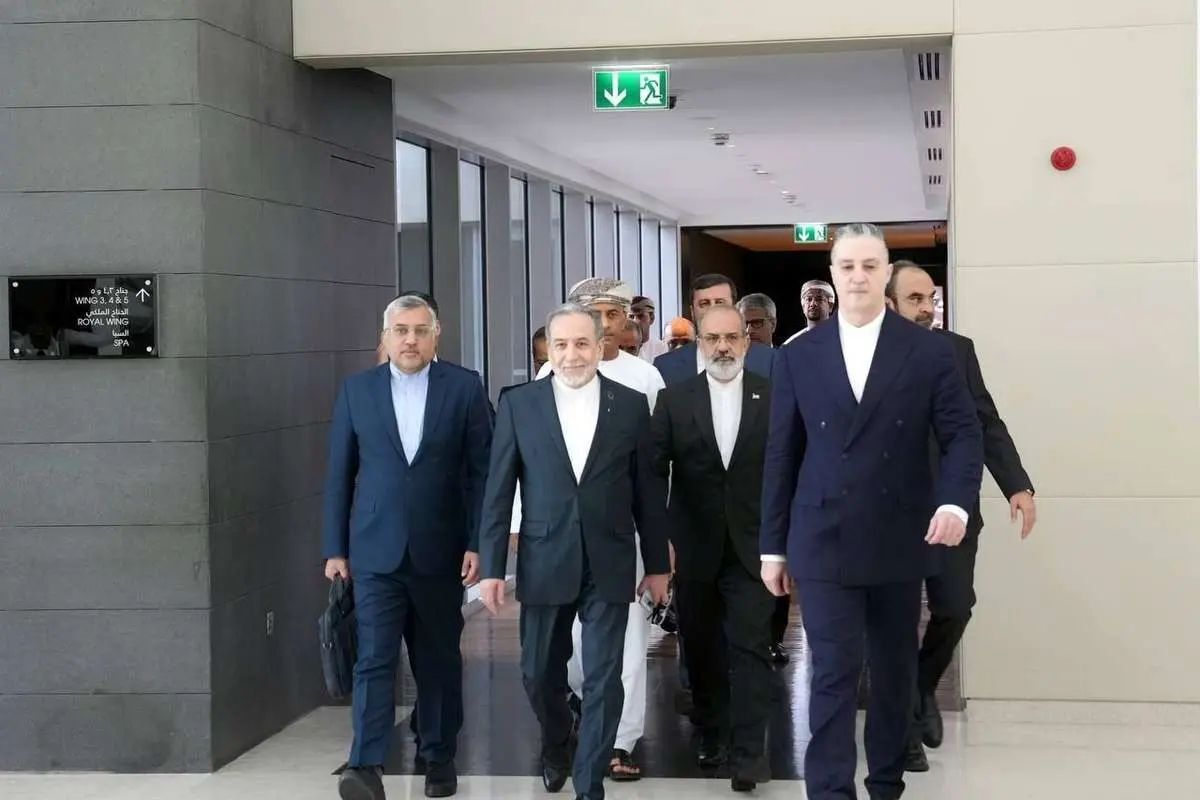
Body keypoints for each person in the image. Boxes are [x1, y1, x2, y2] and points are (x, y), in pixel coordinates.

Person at [759, 223, 983, 800]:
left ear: (886, 273)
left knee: (893, 671)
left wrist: (954, 501)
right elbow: (783, 453)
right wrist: (772, 546)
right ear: (833, 275)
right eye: (847, 266)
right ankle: (829, 790)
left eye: (869, 265)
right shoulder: (798, 355)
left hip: (899, 533)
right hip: (822, 534)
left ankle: (885, 785)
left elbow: (964, 434)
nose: (858, 276)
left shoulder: (929, 351)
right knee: (833, 670)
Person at [477, 303, 670, 800]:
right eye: (561, 344)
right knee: (538, 672)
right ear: (548, 349)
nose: (571, 355)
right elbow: (498, 491)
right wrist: (492, 567)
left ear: (601, 346)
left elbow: (648, 495)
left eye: (582, 343)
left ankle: (589, 786)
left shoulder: (631, 405)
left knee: (605, 677)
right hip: (545, 557)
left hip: (611, 558)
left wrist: (658, 567)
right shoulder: (519, 404)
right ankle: (557, 736)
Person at [323, 295, 493, 800]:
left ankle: (438, 757)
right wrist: (335, 548)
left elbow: (482, 473)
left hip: (442, 551)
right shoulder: (358, 391)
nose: (411, 340)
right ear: (386, 336)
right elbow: (339, 475)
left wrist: (478, 542)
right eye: (401, 330)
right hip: (375, 552)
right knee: (374, 659)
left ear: (436, 335)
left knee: (437, 659)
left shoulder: (464, 387)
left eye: (420, 330)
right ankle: (365, 764)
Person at [885, 261, 1037, 772]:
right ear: (888, 302)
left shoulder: (957, 350)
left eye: (931, 298)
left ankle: (922, 687)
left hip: (952, 506)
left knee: (955, 606)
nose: (927, 308)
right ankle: (903, 730)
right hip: (889, 513)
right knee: (893, 623)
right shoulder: (864, 353)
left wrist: (1017, 485)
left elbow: (985, 420)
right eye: (914, 299)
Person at [529, 278, 666, 781]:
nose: (605, 325)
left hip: (621, 535)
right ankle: (579, 721)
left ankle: (620, 742)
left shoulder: (645, 378)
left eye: (613, 315)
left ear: (627, 320)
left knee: (625, 645)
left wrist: (661, 546)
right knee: (567, 651)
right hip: (559, 541)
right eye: (595, 314)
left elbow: (655, 470)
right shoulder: (550, 373)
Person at [650, 305, 776, 792]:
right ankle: (712, 732)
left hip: (754, 546)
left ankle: (749, 753)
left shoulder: (774, 397)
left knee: (751, 647)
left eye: (731, 337)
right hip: (694, 548)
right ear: (699, 344)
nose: (722, 346)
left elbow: (788, 471)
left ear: (746, 341)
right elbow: (654, 474)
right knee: (701, 649)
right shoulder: (674, 401)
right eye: (712, 338)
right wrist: (661, 541)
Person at [736, 291, 791, 663]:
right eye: (746, 323)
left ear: (773, 324)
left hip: (774, 478)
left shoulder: (785, 361)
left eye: (758, 323)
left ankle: (774, 638)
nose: (751, 330)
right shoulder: (726, 361)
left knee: (776, 561)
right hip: (736, 481)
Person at [654, 274, 774, 385]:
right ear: (692, 311)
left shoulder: (771, 361)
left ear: (734, 309)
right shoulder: (665, 366)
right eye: (704, 303)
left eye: (720, 302)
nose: (713, 309)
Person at [781, 280, 836, 345]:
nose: (812, 304)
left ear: (830, 306)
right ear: (803, 307)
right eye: (809, 299)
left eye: (819, 299)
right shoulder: (791, 344)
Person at [631, 295, 669, 363]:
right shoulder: (619, 347)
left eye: (640, 316)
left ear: (651, 318)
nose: (635, 321)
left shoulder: (661, 349)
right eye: (631, 317)